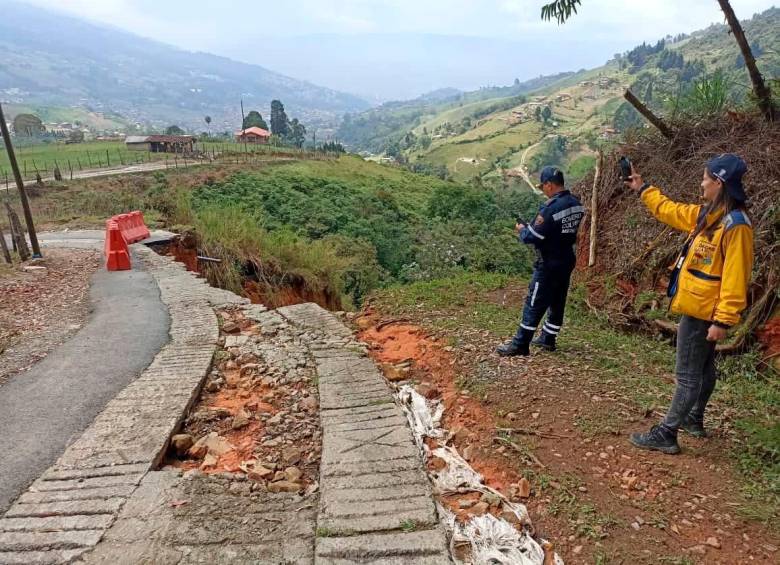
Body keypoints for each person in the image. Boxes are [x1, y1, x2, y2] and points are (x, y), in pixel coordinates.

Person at [626, 153, 753, 454]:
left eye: (706, 178)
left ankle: (667, 432)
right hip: (700, 306)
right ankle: (694, 418)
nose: (702, 183)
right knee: (704, 369)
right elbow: (671, 211)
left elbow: (737, 278)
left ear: (719, 183)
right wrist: (643, 189)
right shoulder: (709, 215)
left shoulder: (735, 226)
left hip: (704, 312)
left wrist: (722, 320)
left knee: (686, 375)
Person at [497, 166, 585, 356]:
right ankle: (548, 338)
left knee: (535, 301)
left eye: (543, 186)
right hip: (566, 258)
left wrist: (522, 229)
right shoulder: (577, 203)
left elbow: (533, 237)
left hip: (549, 262)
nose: (543, 190)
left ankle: (520, 344)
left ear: (550, 185)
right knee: (558, 300)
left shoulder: (550, 207)